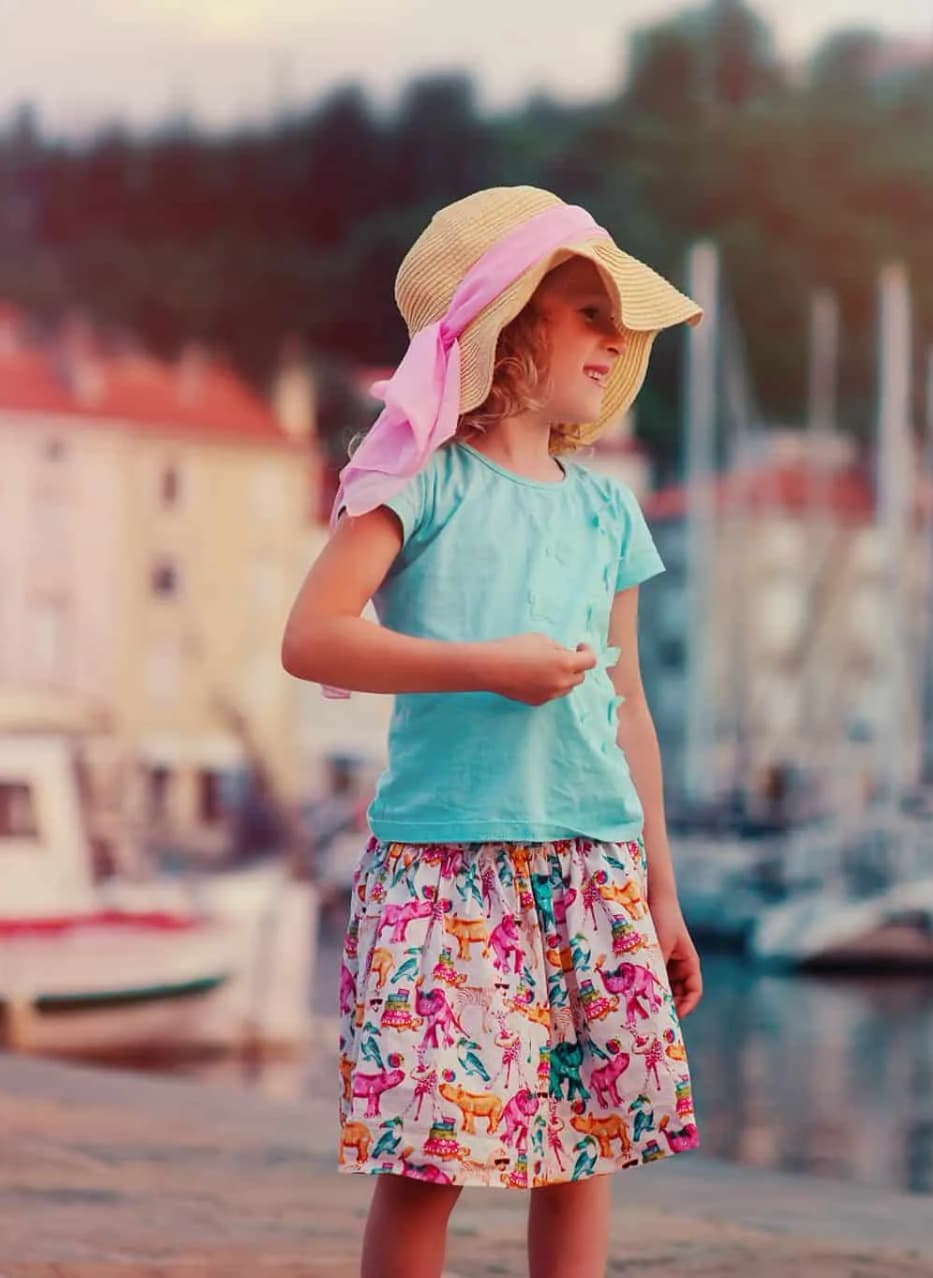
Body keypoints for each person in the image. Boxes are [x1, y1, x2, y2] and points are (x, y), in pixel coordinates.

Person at [280, 187, 705, 1278]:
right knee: (428, 1163)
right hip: (445, 867)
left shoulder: (608, 511)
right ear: (512, 325)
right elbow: (313, 638)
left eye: (622, 323)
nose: (616, 340)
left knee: (580, 1159)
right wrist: (486, 668)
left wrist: (660, 891)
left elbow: (630, 711)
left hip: (591, 866)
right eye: (588, 312)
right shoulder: (420, 480)